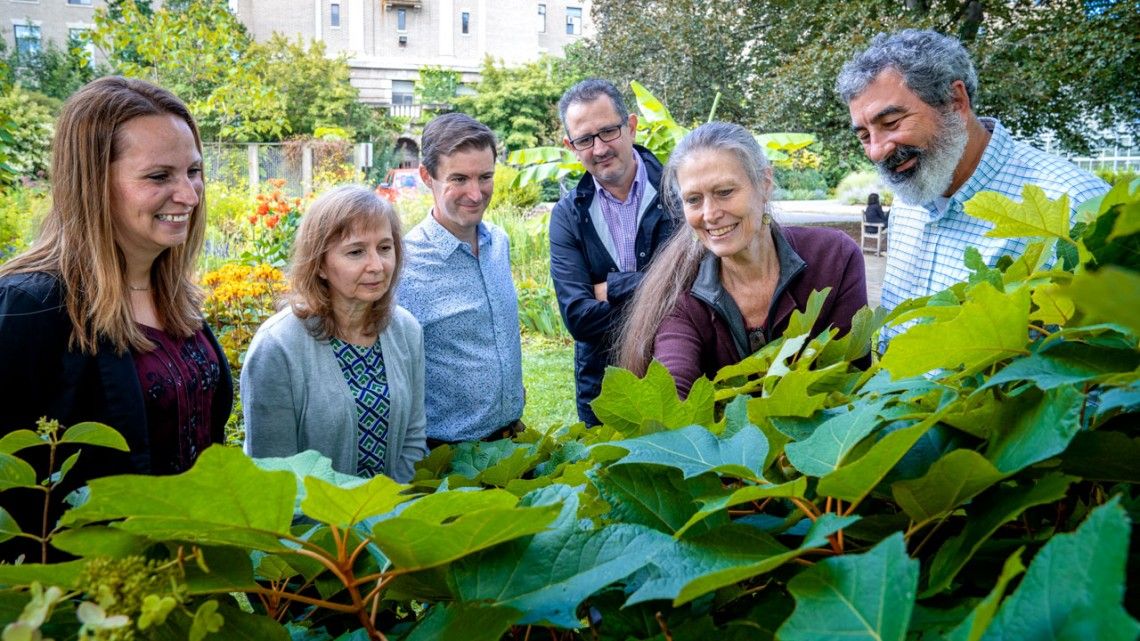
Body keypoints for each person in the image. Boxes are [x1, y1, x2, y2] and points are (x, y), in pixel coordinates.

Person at [0, 76, 231, 558]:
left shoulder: (176, 296)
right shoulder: (31, 308)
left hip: (190, 583)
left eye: (193, 171)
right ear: (92, 183)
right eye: (159, 176)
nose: (189, 195)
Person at [836, 29, 1108, 340]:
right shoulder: (908, 200)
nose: (876, 150)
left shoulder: (1076, 203)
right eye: (864, 136)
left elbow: (1108, 368)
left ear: (955, 101)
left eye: (891, 123)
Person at [619, 122, 867, 398]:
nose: (710, 214)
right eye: (693, 199)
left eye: (724, 192)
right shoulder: (681, 294)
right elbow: (674, 389)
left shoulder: (833, 258)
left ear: (765, 184)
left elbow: (852, 373)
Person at [242, 186, 427, 482]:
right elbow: (273, 472)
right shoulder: (277, 346)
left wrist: (385, 511)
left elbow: (414, 438)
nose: (377, 266)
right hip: (311, 525)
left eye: (384, 247)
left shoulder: (406, 330)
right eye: (356, 252)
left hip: (389, 517)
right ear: (320, 265)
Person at [550, 79, 677, 425]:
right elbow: (578, 317)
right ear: (571, 146)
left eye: (608, 131)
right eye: (585, 139)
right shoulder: (568, 215)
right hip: (603, 391)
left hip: (679, 371)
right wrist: (661, 290)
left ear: (631, 126)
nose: (599, 148)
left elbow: (695, 285)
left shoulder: (678, 195)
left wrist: (613, 289)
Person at [397, 113, 524, 445]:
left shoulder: (499, 242)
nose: (475, 193)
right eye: (459, 179)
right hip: (447, 457)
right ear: (428, 176)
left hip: (512, 440)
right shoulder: (404, 264)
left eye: (485, 177)